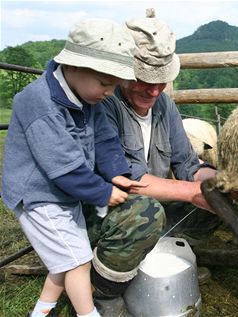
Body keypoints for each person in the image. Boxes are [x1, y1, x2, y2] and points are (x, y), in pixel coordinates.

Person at [1, 19, 147, 317]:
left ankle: (42, 312)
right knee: (77, 262)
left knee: (63, 259)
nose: (109, 92)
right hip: (38, 196)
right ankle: (87, 313)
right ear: (75, 67)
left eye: (114, 85)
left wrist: (116, 171)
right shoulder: (39, 103)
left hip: (63, 194)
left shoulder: (86, 98)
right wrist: (103, 191)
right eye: (106, 84)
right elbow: (62, 166)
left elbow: (105, 138)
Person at [85, 8, 221, 316]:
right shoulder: (103, 105)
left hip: (150, 211)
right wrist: (191, 193)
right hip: (106, 210)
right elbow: (124, 179)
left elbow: (188, 165)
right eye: (144, 80)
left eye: (160, 81)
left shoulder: (164, 106)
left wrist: (221, 182)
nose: (154, 90)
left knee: (219, 194)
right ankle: (104, 289)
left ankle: (165, 258)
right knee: (146, 211)